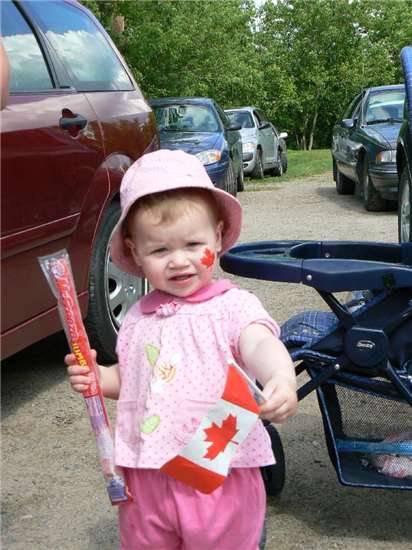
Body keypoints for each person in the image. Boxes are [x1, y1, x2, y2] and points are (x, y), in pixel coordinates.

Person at [66, 149, 298, 550]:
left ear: (219, 237)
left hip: (216, 473)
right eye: (159, 251)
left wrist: (280, 375)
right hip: (145, 474)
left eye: (193, 244)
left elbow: (260, 341)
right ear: (135, 253)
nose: (179, 261)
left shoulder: (230, 306)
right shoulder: (137, 317)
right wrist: (100, 378)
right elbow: (136, 378)